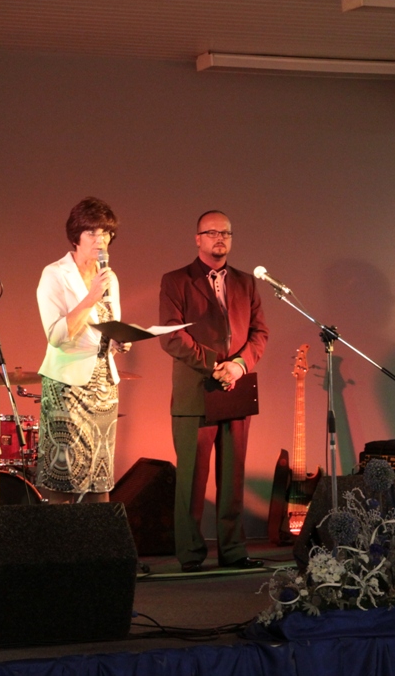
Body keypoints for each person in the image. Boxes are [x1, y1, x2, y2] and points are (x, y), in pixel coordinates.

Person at [159, 210, 269, 572]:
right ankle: (191, 554)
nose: (219, 238)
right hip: (196, 390)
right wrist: (214, 365)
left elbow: (259, 333)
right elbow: (172, 336)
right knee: (191, 479)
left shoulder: (246, 282)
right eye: (212, 233)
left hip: (236, 387)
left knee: (233, 478)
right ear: (198, 238)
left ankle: (233, 551)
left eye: (226, 233)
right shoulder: (176, 280)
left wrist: (238, 365)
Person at [36, 197, 129, 504]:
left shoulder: (109, 277)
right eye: (92, 232)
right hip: (67, 386)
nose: (100, 240)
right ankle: (60, 535)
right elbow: (56, 336)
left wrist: (118, 341)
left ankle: (98, 535)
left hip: (104, 386)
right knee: (64, 476)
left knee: (99, 476)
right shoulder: (54, 274)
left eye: (106, 233)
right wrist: (91, 296)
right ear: (76, 236)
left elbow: (107, 323)